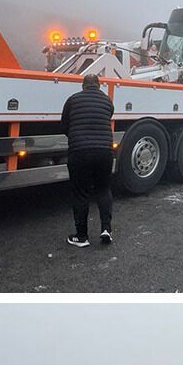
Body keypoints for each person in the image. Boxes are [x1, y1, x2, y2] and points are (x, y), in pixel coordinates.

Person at [59, 73, 117, 248]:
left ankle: (82, 236)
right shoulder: (107, 101)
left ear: (83, 86)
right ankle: (106, 229)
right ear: (99, 86)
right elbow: (108, 117)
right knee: (103, 188)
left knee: (81, 192)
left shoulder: (73, 100)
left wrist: (76, 138)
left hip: (80, 152)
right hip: (105, 152)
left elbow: (64, 124)